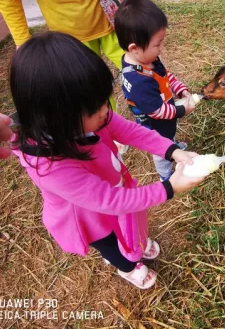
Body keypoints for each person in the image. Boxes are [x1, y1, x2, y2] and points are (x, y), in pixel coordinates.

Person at [10, 31, 205, 289]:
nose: (106, 110)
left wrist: (172, 150)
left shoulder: (89, 117)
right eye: (96, 108)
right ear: (57, 119)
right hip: (89, 218)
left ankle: (135, 245)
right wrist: (170, 188)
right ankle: (127, 268)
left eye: (104, 100)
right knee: (113, 246)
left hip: (114, 191)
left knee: (132, 226)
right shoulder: (51, 167)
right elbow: (112, 201)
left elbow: (129, 130)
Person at [115, 0, 196, 181]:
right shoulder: (138, 82)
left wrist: (180, 89)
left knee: (170, 134)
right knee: (161, 150)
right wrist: (182, 109)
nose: (162, 48)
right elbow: (157, 111)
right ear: (134, 48)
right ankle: (165, 176)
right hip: (155, 126)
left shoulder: (147, 59)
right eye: (157, 44)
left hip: (166, 116)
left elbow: (165, 75)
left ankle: (173, 145)